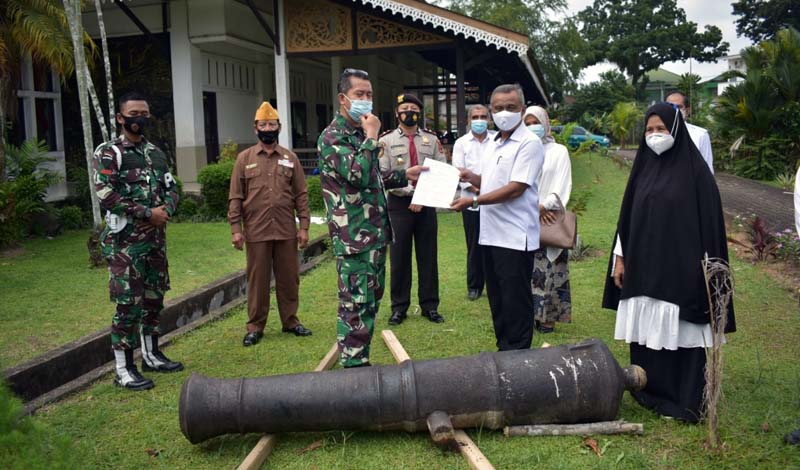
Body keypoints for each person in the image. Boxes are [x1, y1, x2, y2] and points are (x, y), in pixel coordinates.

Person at [602, 102, 736, 422]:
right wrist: (619, 259)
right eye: (649, 130)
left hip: (681, 270)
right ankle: (650, 393)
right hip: (643, 268)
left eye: (661, 129)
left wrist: (706, 274)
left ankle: (686, 401)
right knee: (647, 332)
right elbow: (627, 220)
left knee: (683, 333)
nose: (654, 135)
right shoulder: (642, 169)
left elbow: (711, 229)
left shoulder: (696, 174)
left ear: (676, 129)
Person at [318, 69, 426, 368]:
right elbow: (358, 173)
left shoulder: (356, 136)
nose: (366, 100)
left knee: (370, 301)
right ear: (343, 99)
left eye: (369, 95)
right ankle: (354, 370)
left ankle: (359, 359)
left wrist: (405, 174)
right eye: (359, 95)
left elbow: (373, 176)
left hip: (374, 234)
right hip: (354, 238)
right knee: (356, 303)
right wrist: (372, 136)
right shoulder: (333, 137)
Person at [94, 91, 183, 391]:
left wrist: (166, 210)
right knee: (128, 305)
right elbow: (105, 194)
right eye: (133, 114)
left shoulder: (155, 153)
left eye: (144, 113)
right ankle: (123, 368)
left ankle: (152, 355)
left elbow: (172, 187)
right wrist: (146, 213)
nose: (140, 119)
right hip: (126, 245)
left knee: (153, 299)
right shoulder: (109, 153)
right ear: (121, 118)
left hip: (155, 241)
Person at [451, 84, 544, 351]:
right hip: (490, 234)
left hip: (514, 236)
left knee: (515, 298)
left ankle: (519, 353)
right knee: (498, 297)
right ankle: (504, 349)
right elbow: (493, 183)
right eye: (499, 108)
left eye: (511, 107)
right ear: (492, 112)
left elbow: (516, 188)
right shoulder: (494, 143)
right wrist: (473, 179)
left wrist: (474, 200)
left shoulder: (529, 143)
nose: (505, 112)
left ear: (522, 110)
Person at [228, 102, 313, 347]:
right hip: (256, 231)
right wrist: (236, 229)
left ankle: (291, 321)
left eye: (272, 124)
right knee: (258, 281)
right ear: (255, 128)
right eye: (263, 124)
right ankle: (255, 326)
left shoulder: (290, 158)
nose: (268, 128)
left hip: (286, 229)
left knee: (289, 279)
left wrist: (304, 226)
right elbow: (236, 196)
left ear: (279, 127)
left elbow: (301, 194)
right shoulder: (244, 159)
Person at [379, 93, 447, 325]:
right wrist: (410, 192)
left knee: (428, 256)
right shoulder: (386, 141)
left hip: (425, 205)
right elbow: (383, 174)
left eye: (413, 108)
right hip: (399, 205)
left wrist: (423, 196)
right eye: (404, 108)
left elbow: (441, 169)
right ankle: (399, 307)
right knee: (399, 258)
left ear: (419, 113)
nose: (409, 112)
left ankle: (430, 306)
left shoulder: (431, 139)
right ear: (397, 113)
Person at [523, 106, 573, 334]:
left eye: (536, 122)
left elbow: (563, 184)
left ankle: (548, 319)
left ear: (546, 124)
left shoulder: (558, 151)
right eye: (527, 122)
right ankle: (529, 314)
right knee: (528, 269)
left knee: (551, 269)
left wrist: (544, 205)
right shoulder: (522, 149)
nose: (532, 126)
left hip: (550, 216)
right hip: (523, 216)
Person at [451, 105, 494, 301]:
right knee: (474, 243)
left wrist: (487, 186)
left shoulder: (497, 140)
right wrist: (477, 186)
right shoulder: (461, 143)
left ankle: (495, 283)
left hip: (495, 198)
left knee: (495, 242)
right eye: (475, 117)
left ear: (489, 119)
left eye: (483, 116)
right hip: (470, 199)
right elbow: (457, 171)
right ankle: (475, 286)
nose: (479, 120)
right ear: (468, 121)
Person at [665, 91, 714, 174]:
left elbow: (707, 168)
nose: (674, 110)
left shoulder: (700, 135)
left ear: (687, 110)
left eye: (679, 106)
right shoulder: (656, 133)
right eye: (670, 106)